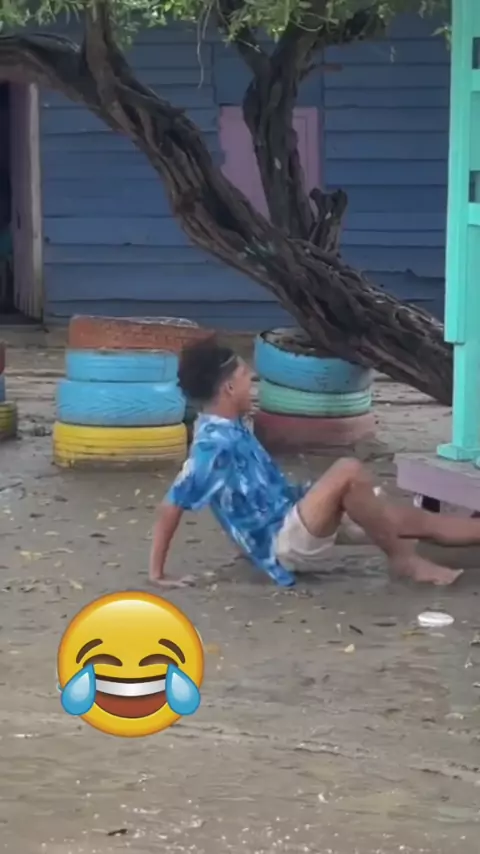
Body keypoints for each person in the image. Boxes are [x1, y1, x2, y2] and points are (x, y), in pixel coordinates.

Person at [149, 339, 478, 590]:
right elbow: (170, 505)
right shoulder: (212, 446)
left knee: (410, 519)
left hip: (296, 513)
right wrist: (158, 573)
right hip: (282, 542)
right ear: (229, 387)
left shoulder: (234, 424)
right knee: (348, 470)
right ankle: (404, 562)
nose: (253, 382)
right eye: (247, 376)